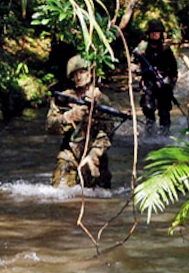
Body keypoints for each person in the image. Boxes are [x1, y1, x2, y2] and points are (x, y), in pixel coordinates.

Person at [46, 55, 116, 189]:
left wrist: (95, 153)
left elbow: (108, 132)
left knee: (100, 197)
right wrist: (69, 116)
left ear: (90, 74)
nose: (79, 77)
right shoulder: (64, 98)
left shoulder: (101, 99)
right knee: (59, 193)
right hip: (70, 153)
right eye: (75, 74)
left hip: (95, 155)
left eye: (82, 72)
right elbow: (50, 126)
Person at [133, 20, 180, 135]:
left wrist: (170, 82)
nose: (155, 35)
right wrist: (141, 73)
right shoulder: (142, 49)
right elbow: (134, 65)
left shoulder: (166, 50)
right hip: (148, 83)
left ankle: (164, 134)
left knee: (164, 111)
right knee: (148, 107)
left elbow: (173, 69)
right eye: (152, 32)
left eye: (157, 32)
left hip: (163, 84)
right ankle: (150, 131)